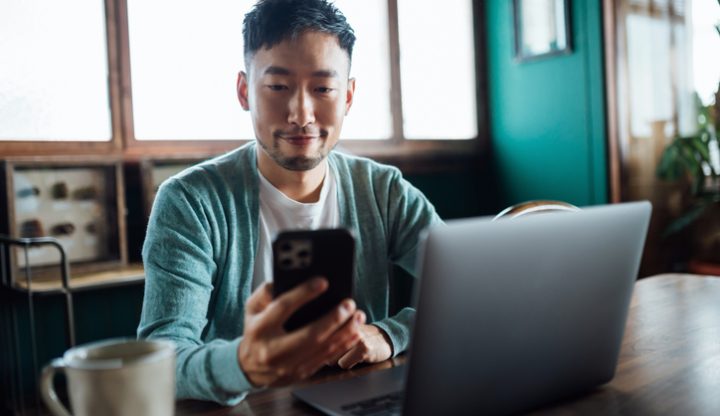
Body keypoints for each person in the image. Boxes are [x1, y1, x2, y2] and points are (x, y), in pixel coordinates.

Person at [137, 0, 441, 405]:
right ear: (245, 91)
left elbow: (469, 297)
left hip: (358, 404)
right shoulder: (190, 201)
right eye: (278, 87)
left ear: (348, 96)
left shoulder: (383, 191)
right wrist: (244, 364)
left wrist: (391, 333)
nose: (301, 114)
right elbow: (162, 359)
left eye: (323, 88)